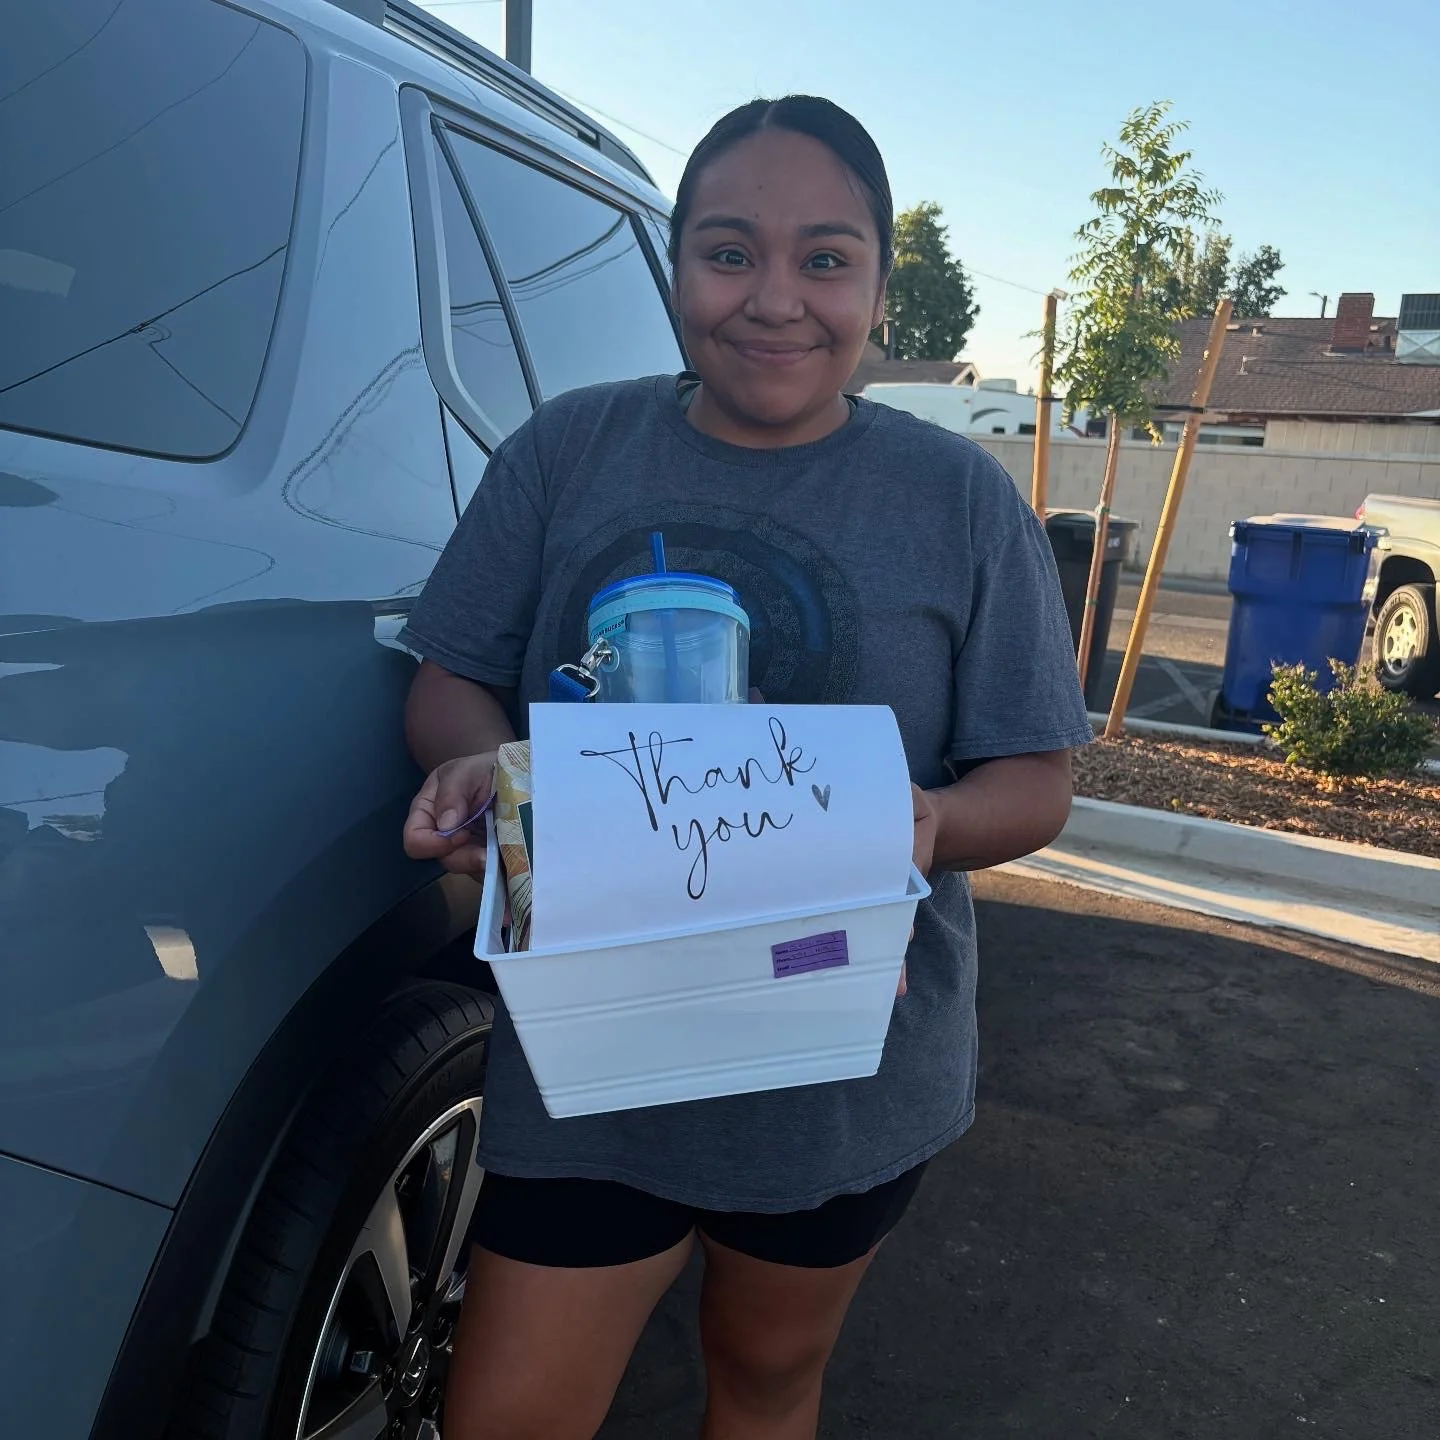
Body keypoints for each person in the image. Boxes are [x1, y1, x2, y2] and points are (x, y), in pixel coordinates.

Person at [400, 94, 1091, 1440]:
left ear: (883, 285)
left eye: (825, 258)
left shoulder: (960, 501)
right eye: (728, 252)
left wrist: (930, 822)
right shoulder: (567, 450)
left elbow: (1037, 779)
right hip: (588, 1054)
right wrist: (479, 762)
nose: (776, 299)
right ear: (674, 271)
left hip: (841, 1074)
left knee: (767, 1385)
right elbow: (450, 678)